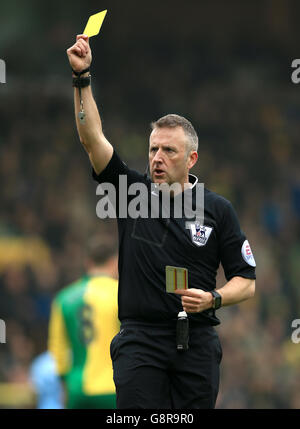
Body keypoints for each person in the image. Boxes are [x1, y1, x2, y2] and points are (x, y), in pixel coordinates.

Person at [66, 34, 256, 409]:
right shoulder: (129, 191)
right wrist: (82, 78)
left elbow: (247, 283)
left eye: (169, 150)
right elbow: (92, 140)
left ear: (192, 159)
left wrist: (214, 298)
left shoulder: (218, 210)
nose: (157, 157)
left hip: (197, 341)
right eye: (153, 148)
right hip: (140, 341)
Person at [48, 237, 119, 409]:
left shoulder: (63, 298)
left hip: (77, 388)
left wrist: (64, 385)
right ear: (113, 261)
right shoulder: (120, 293)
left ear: (88, 262)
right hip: (114, 388)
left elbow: (57, 349)